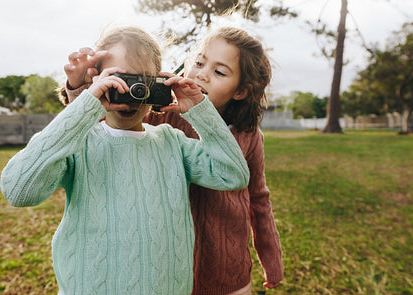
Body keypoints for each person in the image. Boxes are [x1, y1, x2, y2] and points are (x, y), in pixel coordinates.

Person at [0, 26, 250, 295]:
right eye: (118, 79)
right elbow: (19, 190)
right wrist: (82, 107)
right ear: (96, 80)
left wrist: (200, 110)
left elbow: (232, 174)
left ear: (157, 84)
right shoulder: (79, 142)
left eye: (141, 82)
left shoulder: (172, 142)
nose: (131, 91)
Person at [61, 26, 284, 295]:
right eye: (199, 62)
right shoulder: (163, 118)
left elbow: (258, 198)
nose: (202, 73)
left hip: (228, 265)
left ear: (241, 91)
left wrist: (271, 258)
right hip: (171, 264)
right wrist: (80, 89)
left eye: (219, 71)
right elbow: (109, 125)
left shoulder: (249, 135)